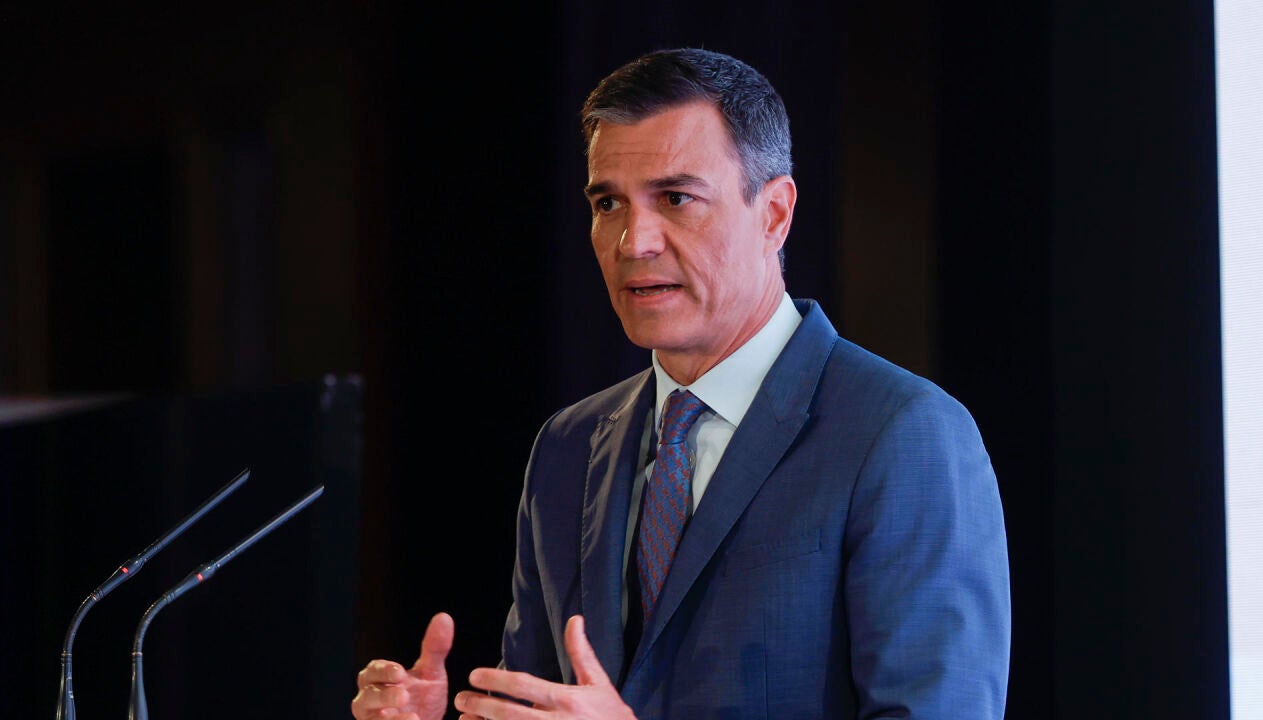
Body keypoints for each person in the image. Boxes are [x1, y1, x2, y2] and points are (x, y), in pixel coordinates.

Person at [352, 47, 1010, 719]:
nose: (633, 241)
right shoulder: (568, 445)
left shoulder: (903, 432)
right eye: (608, 202)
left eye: (675, 198)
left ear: (774, 214)